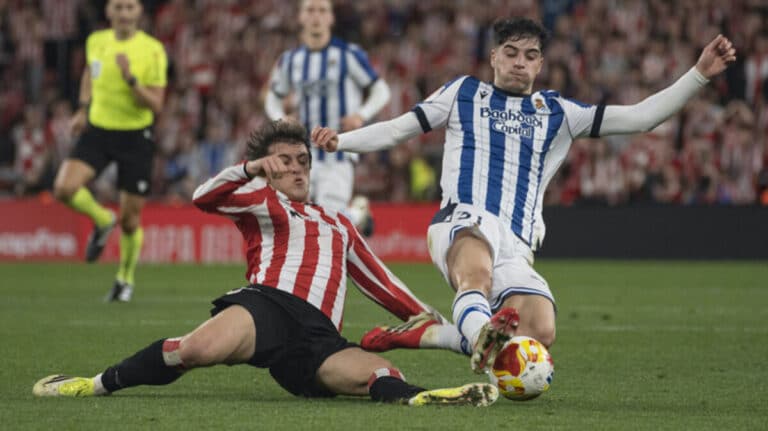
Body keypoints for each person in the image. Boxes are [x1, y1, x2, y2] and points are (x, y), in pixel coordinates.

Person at [311, 18, 736, 373]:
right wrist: (341, 141)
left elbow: (642, 118)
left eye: (530, 56)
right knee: (474, 274)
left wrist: (698, 73)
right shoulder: (463, 93)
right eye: (511, 52)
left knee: (540, 329)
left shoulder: (559, 113)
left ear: (541, 65)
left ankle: (436, 333)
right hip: (463, 219)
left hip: (516, 243)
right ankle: (480, 337)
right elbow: (398, 128)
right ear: (494, 57)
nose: (520, 62)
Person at [32, 121, 498, 407]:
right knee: (194, 351)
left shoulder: (339, 223)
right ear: (268, 166)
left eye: (302, 161)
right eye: (285, 161)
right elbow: (202, 198)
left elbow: (383, 284)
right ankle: (92, 385)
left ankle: (429, 399)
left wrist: (441, 327)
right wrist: (251, 168)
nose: (296, 169)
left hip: (319, 338)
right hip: (267, 308)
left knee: (377, 375)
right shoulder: (260, 201)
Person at [51, 0, 167, 302]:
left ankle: (124, 280)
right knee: (64, 187)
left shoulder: (152, 49)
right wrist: (82, 109)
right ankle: (103, 220)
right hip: (99, 131)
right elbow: (90, 73)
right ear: (109, 12)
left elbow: (156, 105)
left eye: (130, 7)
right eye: (119, 7)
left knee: (130, 220)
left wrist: (131, 80)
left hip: (135, 136)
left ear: (139, 12)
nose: (124, 13)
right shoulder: (96, 41)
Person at [264, 0, 391, 235]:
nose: (316, 16)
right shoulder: (290, 60)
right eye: (310, 10)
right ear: (301, 17)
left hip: (338, 152)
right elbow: (272, 98)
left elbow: (381, 91)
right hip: (302, 154)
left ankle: (348, 220)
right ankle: (356, 215)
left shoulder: (348, 55)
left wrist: (360, 116)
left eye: (322, 11)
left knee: (327, 222)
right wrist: (280, 119)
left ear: (331, 18)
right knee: (305, 218)